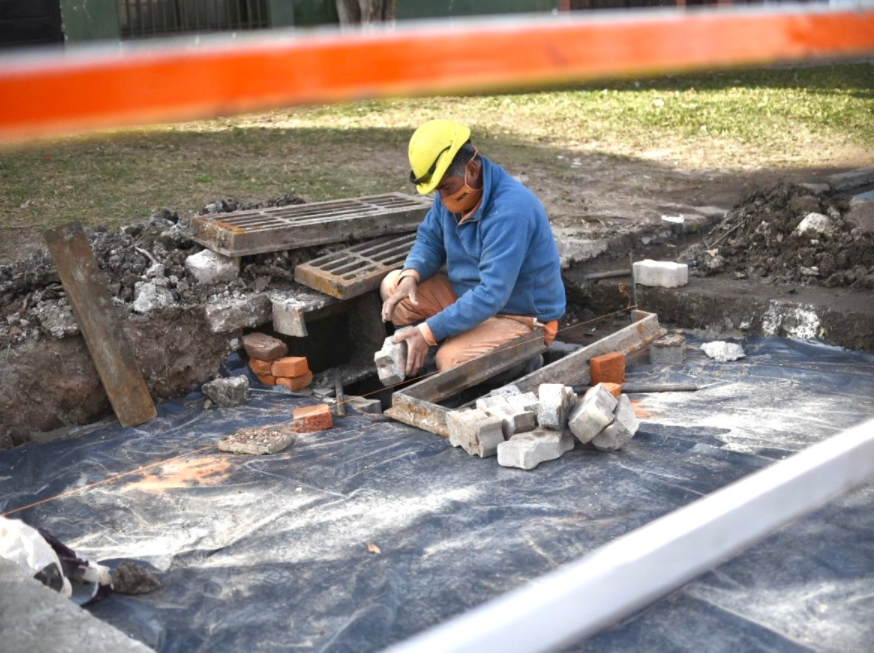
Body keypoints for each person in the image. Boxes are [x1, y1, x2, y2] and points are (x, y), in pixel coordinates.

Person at [380, 119, 566, 377]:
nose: (443, 198)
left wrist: (428, 331)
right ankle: (442, 338)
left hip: (518, 315)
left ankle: (524, 361)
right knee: (394, 288)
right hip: (471, 295)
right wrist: (410, 275)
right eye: (437, 190)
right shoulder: (452, 197)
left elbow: (492, 293)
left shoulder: (511, 211)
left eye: (446, 187)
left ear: (471, 169)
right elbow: (430, 240)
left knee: (452, 361)